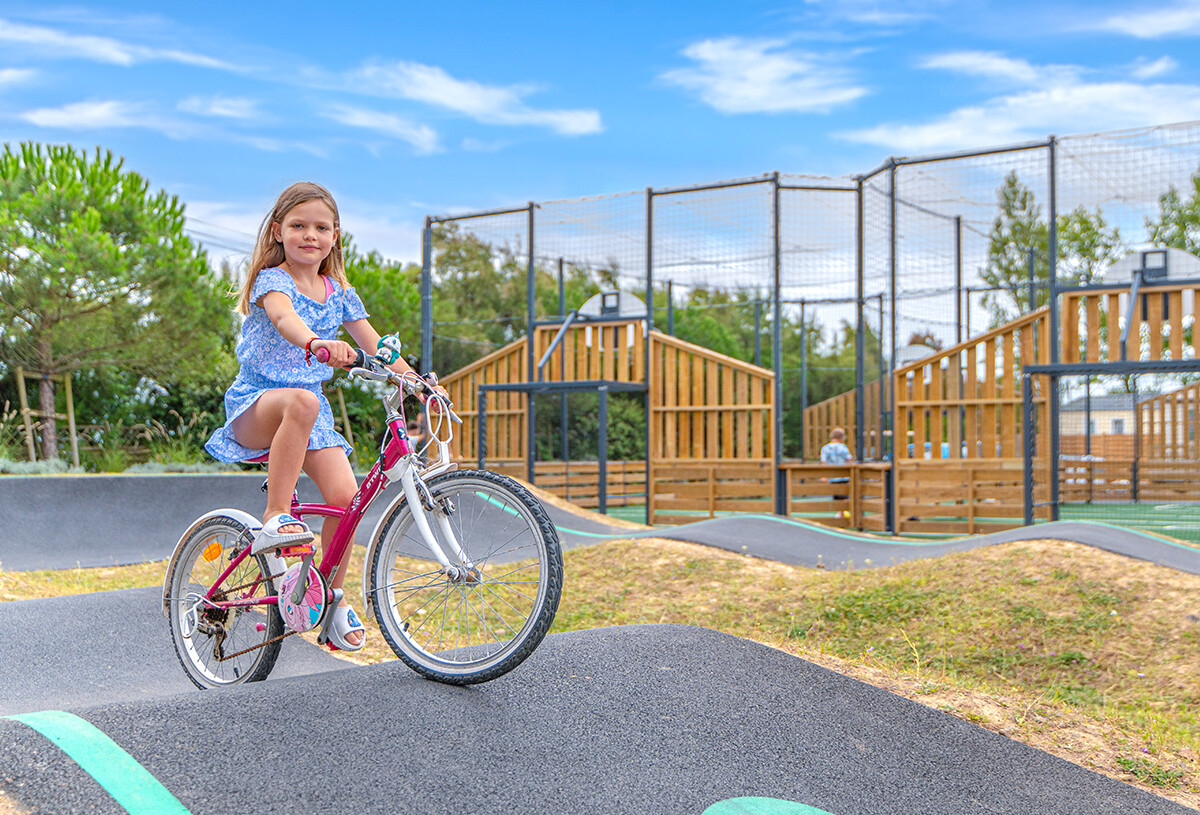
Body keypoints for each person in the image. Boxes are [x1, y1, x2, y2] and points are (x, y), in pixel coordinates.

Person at [205, 181, 435, 651]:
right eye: (298, 225)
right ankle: (275, 514)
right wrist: (315, 343)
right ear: (277, 231)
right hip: (258, 403)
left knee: (347, 499)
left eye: (321, 228)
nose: (310, 235)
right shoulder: (273, 281)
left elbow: (376, 344)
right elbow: (285, 319)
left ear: (335, 237)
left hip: (309, 414)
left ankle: (327, 598)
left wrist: (418, 382)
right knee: (303, 401)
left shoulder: (341, 293)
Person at [820, 427, 854, 504]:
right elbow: (849, 460)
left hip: (833, 476)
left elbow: (824, 462)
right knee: (845, 495)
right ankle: (843, 509)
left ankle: (839, 509)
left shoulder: (825, 448)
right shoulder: (843, 447)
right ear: (842, 437)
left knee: (836, 495)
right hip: (844, 475)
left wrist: (824, 475)